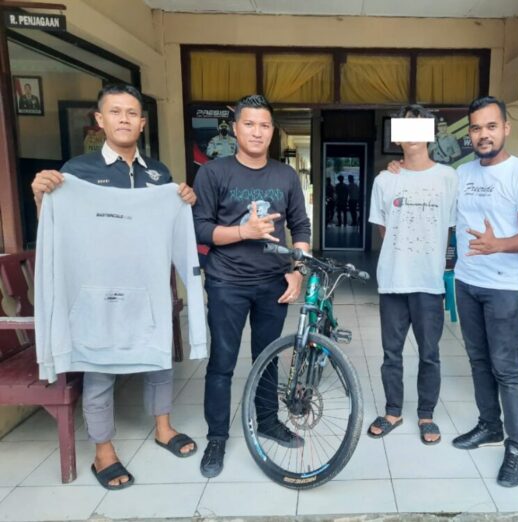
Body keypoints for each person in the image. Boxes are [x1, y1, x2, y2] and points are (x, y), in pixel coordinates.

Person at [30, 84, 199, 490]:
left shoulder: (158, 174)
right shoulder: (76, 172)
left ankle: (163, 427)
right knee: (99, 367)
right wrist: (40, 198)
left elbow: (168, 224)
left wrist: (183, 199)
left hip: (147, 287)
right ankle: (103, 450)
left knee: (159, 358)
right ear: (100, 120)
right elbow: (57, 226)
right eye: (115, 111)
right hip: (98, 290)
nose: (124, 119)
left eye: (132, 113)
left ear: (142, 123)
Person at [193, 94, 311, 478]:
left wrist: (297, 270)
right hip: (226, 282)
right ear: (236, 128)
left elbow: (300, 226)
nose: (257, 132)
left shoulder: (285, 175)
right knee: (222, 362)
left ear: (272, 131)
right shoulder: (213, 173)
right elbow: (200, 228)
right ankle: (217, 437)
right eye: (249, 124)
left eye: (264, 125)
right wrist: (244, 231)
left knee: (268, 357)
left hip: (273, 283)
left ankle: (268, 422)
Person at [448, 96, 518, 488]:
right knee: (477, 359)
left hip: (505, 286)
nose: (482, 134)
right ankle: (489, 424)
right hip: (467, 281)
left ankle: (517, 448)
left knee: (506, 368)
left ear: (505, 128)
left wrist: (497, 245)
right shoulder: (462, 173)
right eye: (476, 128)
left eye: (490, 126)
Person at [367, 104, 457, 445]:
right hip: (393, 280)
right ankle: (393, 411)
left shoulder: (448, 178)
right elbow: (384, 229)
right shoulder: (385, 179)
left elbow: (451, 228)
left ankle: (426, 415)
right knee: (391, 353)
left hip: (429, 282)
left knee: (429, 353)